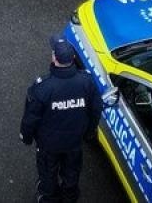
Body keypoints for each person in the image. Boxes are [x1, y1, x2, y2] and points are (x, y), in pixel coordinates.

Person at [21, 35, 101, 202]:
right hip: (74, 142)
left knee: (48, 174)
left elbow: (31, 118)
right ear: (73, 58)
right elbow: (95, 110)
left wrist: (26, 137)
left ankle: (48, 197)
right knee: (71, 173)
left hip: (49, 145)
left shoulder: (42, 88)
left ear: (54, 57)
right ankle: (69, 197)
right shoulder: (86, 82)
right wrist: (89, 133)